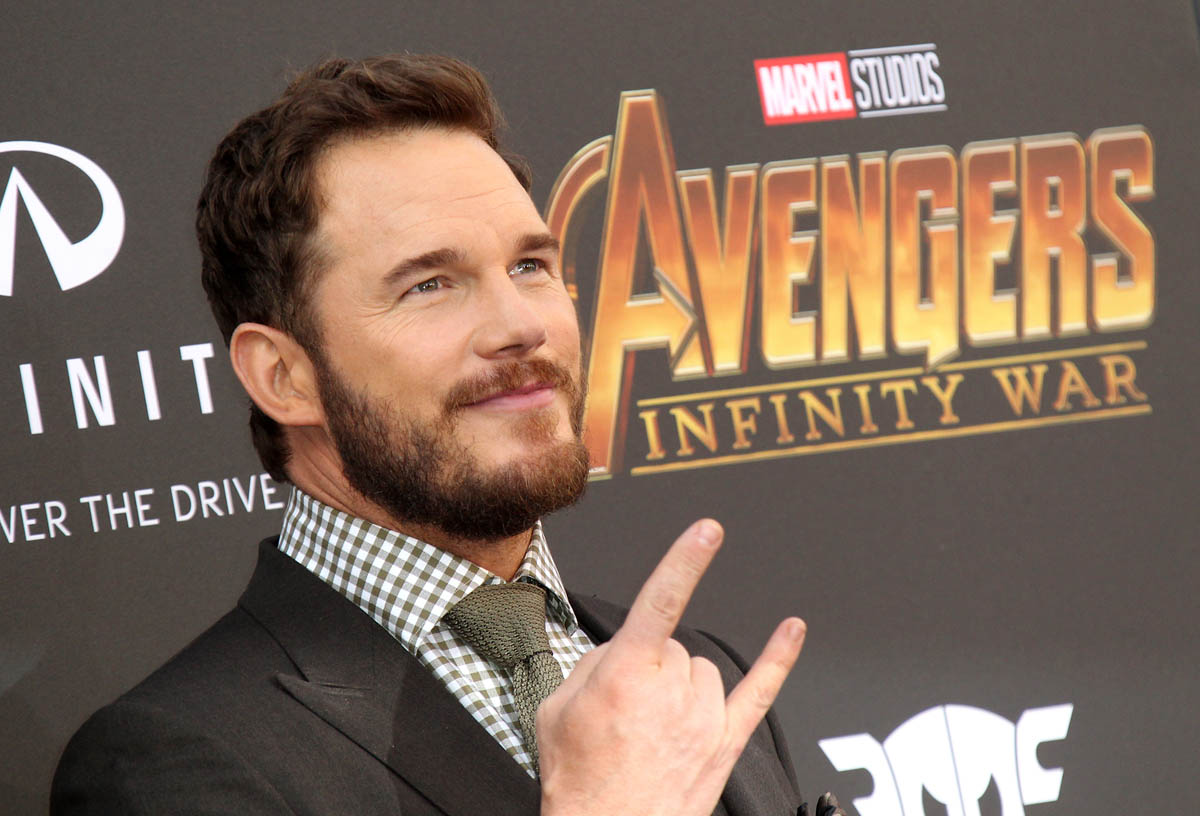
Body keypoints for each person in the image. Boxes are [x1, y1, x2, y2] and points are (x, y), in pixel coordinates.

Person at [50, 54, 822, 816]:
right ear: (284, 375)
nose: (520, 326)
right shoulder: (169, 761)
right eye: (429, 284)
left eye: (530, 266)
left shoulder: (694, 680)